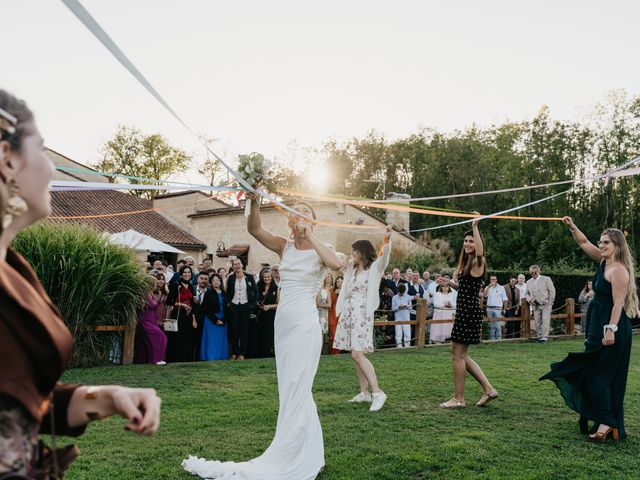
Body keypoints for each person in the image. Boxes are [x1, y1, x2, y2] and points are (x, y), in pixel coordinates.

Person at [0, 89, 160, 477]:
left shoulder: (15, 268)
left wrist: (108, 397)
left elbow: (22, 402)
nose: (53, 170)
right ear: (7, 159)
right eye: (43, 150)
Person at [183, 194, 343, 479]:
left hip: (306, 325)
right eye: (297, 213)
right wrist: (254, 199)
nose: (301, 216)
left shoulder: (323, 249)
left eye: (306, 212)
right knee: (289, 388)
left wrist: (312, 236)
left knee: (300, 384)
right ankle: (309, 451)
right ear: (290, 220)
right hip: (283, 323)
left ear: (313, 220)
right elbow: (254, 229)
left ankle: (296, 453)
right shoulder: (285, 246)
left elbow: (336, 265)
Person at [541, 218, 638, 443]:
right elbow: (584, 243)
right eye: (601, 241)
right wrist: (573, 226)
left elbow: (617, 304)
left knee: (599, 376)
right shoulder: (603, 261)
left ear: (617, 246)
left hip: (611, 328)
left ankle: (607, 422)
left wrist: (610, 330)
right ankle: (605, 420)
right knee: (592, 373)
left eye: (606, 242)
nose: (601, 245)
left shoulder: (619, 271)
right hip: (597, 327)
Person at [440, 216, 498, 408]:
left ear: (477, 242)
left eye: (471, 240)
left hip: (468, 312)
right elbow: (466, 289)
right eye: (466, 241)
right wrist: (450, 283)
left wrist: (475, 226)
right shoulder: (467, 264)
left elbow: (480, 252)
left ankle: (459, 399)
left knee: (457, 355)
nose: (467, 243)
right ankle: (489, 389)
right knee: (461, 355)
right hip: (467, 310)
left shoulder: (478, 262)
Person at [334, 227, 392, 412]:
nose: (351, 253)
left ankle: (377, 392)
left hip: (361, 315)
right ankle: (364, 393)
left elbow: (384, 258)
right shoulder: (351, 269)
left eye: (354, 251)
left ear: (362, 252)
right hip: (349, 314)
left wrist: (387, 239)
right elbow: (337, 260)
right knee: (357, 355)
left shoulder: (374, 268)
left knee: (357, 354)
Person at [225, 258, 258, 360]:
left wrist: (251, 305)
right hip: (234, 306)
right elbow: (227, 293)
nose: (237, 266)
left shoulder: (249, 277)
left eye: (238, 263)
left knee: (244, 330)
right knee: (234, 330)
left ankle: (242, 353)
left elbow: (255, 292)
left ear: (242, 265)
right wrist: (229, 303)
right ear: (233, 266)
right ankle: (234, 352)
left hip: (246, 306)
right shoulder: (230, 278)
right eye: (235, 264)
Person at [134, 275, 168, 365]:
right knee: (159, 336)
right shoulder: (143, 294)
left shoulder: (151, 293)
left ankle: (156, 358)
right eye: (153, 283)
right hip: (145, 319)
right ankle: (156, 359)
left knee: (160, 337)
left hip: (152, 319)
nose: (155, 285)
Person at [165, 265, 196, 362]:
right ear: (181, 274)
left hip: (189, 314)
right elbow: (169, 301)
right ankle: (177, 358)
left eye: (189, 272)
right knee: (179, 337)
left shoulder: (191, 285)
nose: (187, 274)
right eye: (185, 272)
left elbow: (192, 303)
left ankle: (187, 359)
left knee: (188, 336)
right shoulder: (176, 284)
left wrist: (194, 319)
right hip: (178, 313)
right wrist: (182, 304)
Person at [200, 274, 229, 361]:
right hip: (211, 320)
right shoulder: (208, 293)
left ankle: (221, 357)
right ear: (211, 283)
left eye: (218, 280)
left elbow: (228, 309)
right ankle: (211, 358)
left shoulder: (225, 294)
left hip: (223, 320)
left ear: (221, 282)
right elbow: (205, 309)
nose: (216, 282)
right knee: (211, 341)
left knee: (221, 340)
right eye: (214, 280)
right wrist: (215, 320)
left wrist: (223, 320)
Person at [525, 265, 556, 343]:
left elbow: (552, 291)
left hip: (546, 304)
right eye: (531, 272)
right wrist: (529, 300)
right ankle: (539, 337)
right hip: (535, 305)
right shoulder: (528, 282)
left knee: (545, 321)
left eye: (535, 272)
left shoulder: (546, 279)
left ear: (538, 271)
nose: (533, 274)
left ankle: (544, 337)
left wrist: (550, 302)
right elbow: (526, 294)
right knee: (537, 322)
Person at [254, 267, 279, 358]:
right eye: (264, 277)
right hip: (259, 315)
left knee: (268, 335)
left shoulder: (276, 289)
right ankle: (258, 355)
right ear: (261, 278)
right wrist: (258, 304)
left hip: (270, 315)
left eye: (268, 277)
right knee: (258, 334)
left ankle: (267, 354)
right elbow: (253, 299)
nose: (267, 278)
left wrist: (269, 306)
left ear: (271, 277)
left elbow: (279, 304)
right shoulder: (257, 287)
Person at [483, 274, 508, 340]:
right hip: (489, 308)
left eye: (494, 279)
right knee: (491, 325)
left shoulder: (501, 287)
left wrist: (505, 308)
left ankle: (498, 339)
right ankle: (491, 340)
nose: (493, 280)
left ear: (496, 280)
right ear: (490, 280)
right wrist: (488, 287)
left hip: (498, 308)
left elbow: (505, 299)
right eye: (492, 279)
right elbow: (484, 296)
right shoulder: (487, 287)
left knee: (497, 324)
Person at [192, 272, 210, 360]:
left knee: (202, 341)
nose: (203, 281)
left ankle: (200, 359)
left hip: (206, 320)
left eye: (206, 279)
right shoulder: (192, 289)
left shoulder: (211, 291)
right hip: (192, 319)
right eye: (201, 278)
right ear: (197, 279)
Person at [391, 283, 412, 347]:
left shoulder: (408, 296)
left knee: (407, 334)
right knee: (398, 334)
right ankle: (399, 347)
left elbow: (411, 307)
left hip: (406, 318)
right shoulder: (394, 297)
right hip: (398, 318)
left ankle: (407, 347)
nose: (402, 293)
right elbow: (393, 308)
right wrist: (399, 307)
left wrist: (406, 306)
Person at [328, 276, 343, 355]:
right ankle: (332, 353)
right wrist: (335, 293)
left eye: (341, 282)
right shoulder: (331, 290)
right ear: (335, 283)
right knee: (333, 336)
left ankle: (337, 353)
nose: (339, 284)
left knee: (340, 336)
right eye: (338, 282)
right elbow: (330, 303)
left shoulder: (345, 291)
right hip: (332, 316)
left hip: (341, 317)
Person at [317, 272, 333, 347]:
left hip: (323, 314)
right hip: (315, 313)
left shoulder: (327, 292)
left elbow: (329, 304)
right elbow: (316, 302)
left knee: (322, 332)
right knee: (315, 331)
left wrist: (320, 305)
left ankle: (320, 351)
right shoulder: (318, 290)